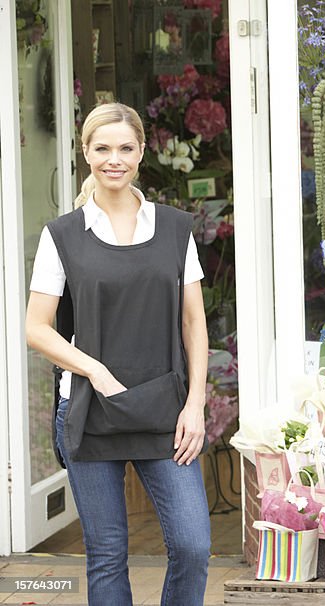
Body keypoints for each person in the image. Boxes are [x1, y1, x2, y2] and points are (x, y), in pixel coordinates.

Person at [25, 102, 210, 605]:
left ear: (142, 151)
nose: (114, 158)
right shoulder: (61, 235)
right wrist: (95, 371)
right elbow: (35, 329)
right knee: (107, 555)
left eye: (125, 148)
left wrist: (196, 405)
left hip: (165, 411)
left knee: (193, 545)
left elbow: (193, 321)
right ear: (85, 153)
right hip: (88, 409)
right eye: (102, 148)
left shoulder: (174, 228)